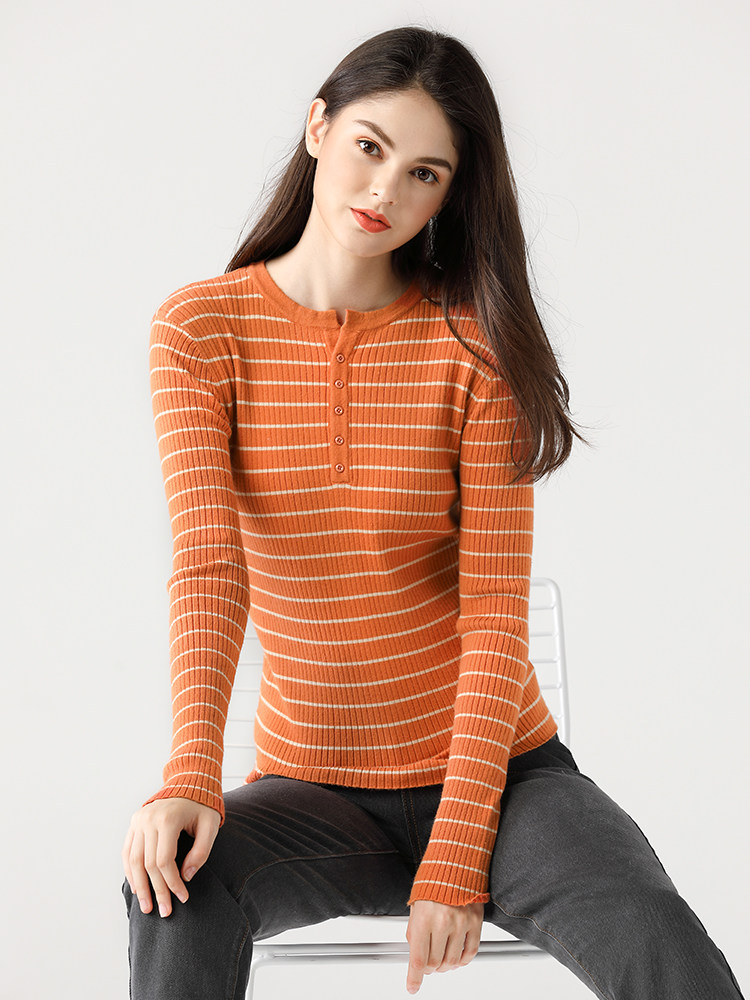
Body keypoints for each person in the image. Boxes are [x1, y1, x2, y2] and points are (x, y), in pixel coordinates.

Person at [120, 25, 745, 1000]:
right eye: (369, 146)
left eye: (424, 173)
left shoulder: (472, 345)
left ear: (450, 193)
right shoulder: (201, 331)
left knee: (652, 931)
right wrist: (191, 775)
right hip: (315, 793)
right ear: (318, 128)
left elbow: (495, 613)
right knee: (172, 883)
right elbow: (210, 567)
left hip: (509, 783)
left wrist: (457, 854)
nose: (385, 191)